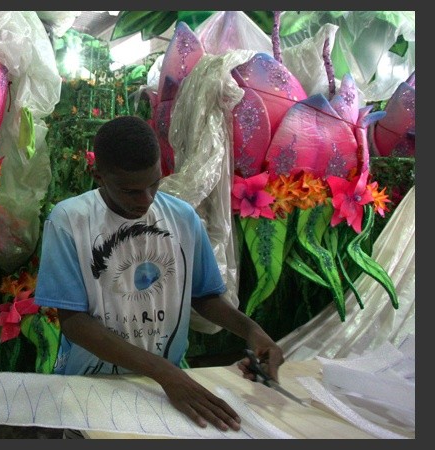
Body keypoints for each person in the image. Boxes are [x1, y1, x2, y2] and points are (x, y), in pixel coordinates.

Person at [33, 115, 285, 434]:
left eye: (155, 183)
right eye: (130, 190)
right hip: (92, 384)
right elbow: (75, 322)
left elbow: (205, 298)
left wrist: (252, 331)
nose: (147, 199)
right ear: (98, 175)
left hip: (162, 386)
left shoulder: (182, 218)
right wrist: (164, 372)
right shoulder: (70, 220)